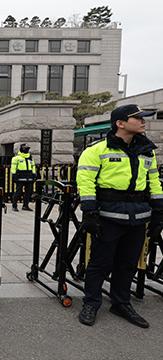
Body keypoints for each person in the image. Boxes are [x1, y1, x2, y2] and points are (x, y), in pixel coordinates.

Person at [77, 104, 163, 328]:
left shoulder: (147, 150)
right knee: (99, 263)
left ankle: (121, 302)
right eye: (139, 118)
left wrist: (159, 212)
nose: (144, 121)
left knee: (127, 263)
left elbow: (153, 181)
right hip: (108, 216)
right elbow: (85, 182)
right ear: (120, 123)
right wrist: (89, 213)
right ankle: (91, 303)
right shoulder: (96, 151)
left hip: (138, 216)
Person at [11, 143, 36, 211]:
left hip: (29, 177)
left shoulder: (30, 158)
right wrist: (14, 175)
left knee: (28, 192)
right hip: (20, 177)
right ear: (21, 148)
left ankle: (25, 205)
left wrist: (34, 174)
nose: (26, 150)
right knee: (18, 192)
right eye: (25, 148)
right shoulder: (16, 158)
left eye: (28, 148)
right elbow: (13, 167)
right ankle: (14, 206)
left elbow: (33, 166)